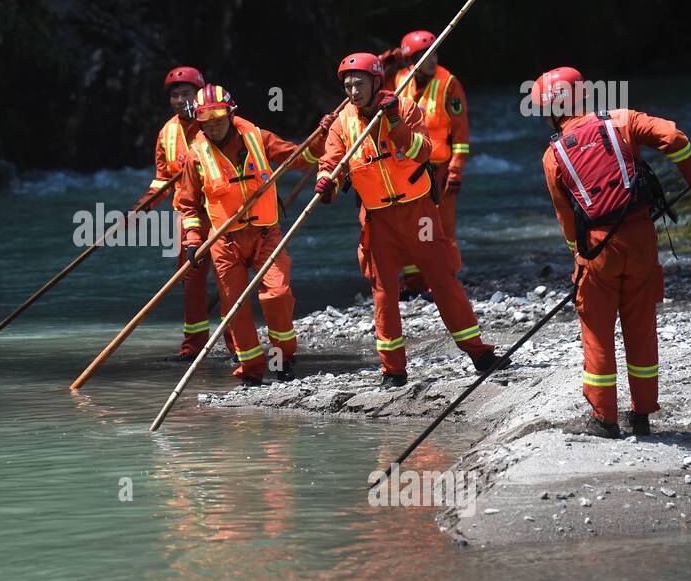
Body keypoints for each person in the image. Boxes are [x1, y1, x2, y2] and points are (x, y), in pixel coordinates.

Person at [532, 67, 691, 437]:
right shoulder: (621, 120)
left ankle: (604, 418)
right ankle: (642, 414)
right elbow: (674, 137)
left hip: (597, 251)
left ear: (551, 111)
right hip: (642, 240)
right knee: (640, 327)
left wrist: (579, 260)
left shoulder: (553, 158)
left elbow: (568, 222)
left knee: (597, 332)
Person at [315, 52, 503, 388]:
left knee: (442, 279)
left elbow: (423, 151)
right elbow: (331, 161)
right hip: (377, 218)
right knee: (384, 292)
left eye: (359, 83)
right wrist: (326, 180)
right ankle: (393, 370)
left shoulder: (403, 107)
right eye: (347, 85)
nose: (353, 90)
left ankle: (479, 353)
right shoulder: (342, 122)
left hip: (418, 212)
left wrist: (395, 124)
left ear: (375, 82)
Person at [175, 84, 318, 385]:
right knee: (235, 308)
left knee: (277, 294)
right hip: (225, 243)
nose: (213, 125)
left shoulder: (258, 137)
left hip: (266, 233)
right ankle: (251, 372)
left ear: (230, 113)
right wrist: (192, 239)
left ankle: (283, 359)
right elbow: (188, 205)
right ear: (198, 121)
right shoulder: (195, 156)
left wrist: (322, 140)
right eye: (206, 120)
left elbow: (297, 157)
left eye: (218, 117)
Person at [140, 66, 231, 361]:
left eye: (187, 94)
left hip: (220, 212)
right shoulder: (166, 133)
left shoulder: (217, 123)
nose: (181, 100)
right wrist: (142, 207)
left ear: (199, 94)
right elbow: (161, 180)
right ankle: (193, 348)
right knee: (191, 280)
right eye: (175, 95)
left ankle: (236, 346)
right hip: (187, 215)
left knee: (226, 279)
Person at [391, 30, 471, 294]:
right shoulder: (400, 80)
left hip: (439, 169)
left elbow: (460, 133)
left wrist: (456, 169)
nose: (433, 59)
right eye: (427, 55)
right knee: (411, 227)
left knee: (443, 228)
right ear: (412, 60)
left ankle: (449, 281)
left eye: (435, 53)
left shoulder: (449, 83)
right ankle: (415, 282)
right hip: (407, 168)